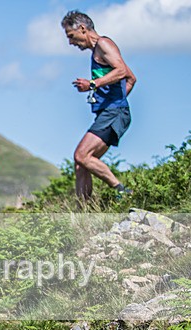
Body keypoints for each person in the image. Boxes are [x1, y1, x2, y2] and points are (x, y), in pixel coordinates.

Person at [61, 10, 136, 201]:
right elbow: (131, 79)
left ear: (83, 29)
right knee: (81, 163)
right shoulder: (96, 52)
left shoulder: (104, 44)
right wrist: (116, 99)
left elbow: (121, 71)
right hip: (111, 111)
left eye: (71, 36)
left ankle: (122, 191)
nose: (71, 42)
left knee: (81, 155)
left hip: (114, 112)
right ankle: (83, 212)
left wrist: (93, 85)